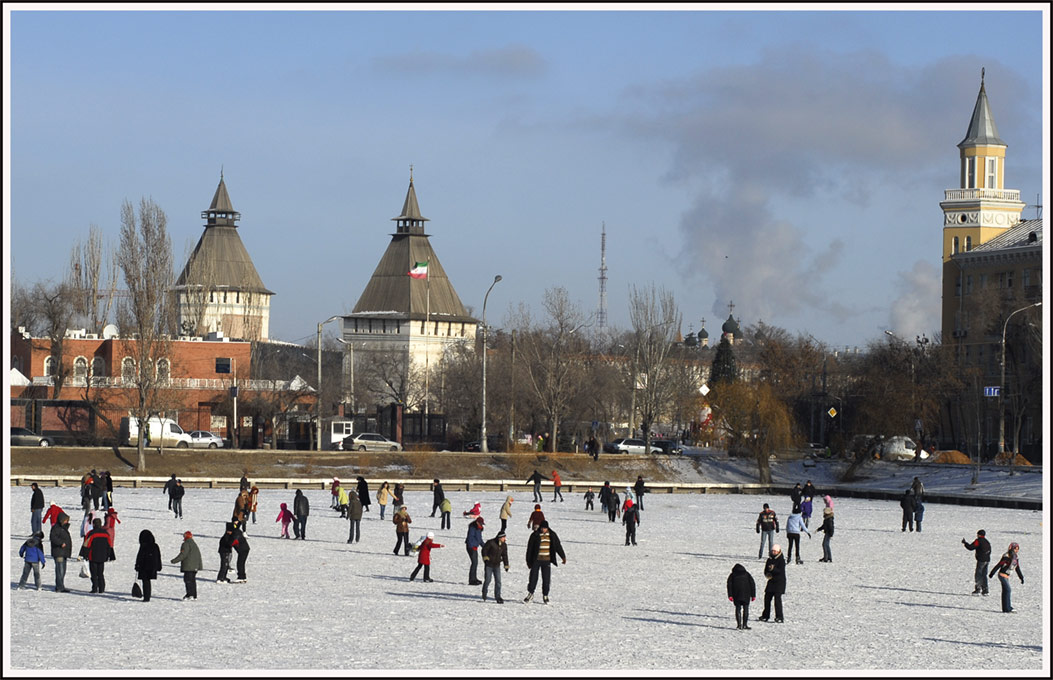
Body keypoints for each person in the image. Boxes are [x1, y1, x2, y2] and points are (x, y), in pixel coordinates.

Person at [524, 521, 566, 604]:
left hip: (546, 560)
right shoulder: (535, 535)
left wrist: (563, 556)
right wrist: (528, 561)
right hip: (536, 560)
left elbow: (557, 546)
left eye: (545, 528)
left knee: (546, 579)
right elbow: (529, 549)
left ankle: (545, 595)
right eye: (542, 528)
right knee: (533, 578)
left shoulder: (552, 535)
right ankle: (530, 593)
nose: (543, 530)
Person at [80, 517, 114, 593]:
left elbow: (86, 544)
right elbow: (109, 545)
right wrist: (109, 555)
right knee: (100, 573)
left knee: (94, 573)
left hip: (93, 556)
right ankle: (101, 588)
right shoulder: (105, 533)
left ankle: (95, 588)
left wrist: (84, 554)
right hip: (102, 557)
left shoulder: (91, 533)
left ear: (94, 524)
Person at [989, 542, 1023, 613]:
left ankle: (1006, 608)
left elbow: (1017, 568)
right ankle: (1007, 608)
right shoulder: (1007, 556)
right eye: (1015, 549)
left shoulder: (1015, 557)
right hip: (1002, 575)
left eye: (1017, 549)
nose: (1016, 551)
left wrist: (1021, 577)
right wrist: (992, 573)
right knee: (1008, 590)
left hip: (1007, 576)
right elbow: (999, 564)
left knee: (1005, 591)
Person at [171, 530, 203, 600]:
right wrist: (199, 566)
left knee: (188, 580)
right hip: (194, 567)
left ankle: (189, 595)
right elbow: (198, 555)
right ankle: (194, 595)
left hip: (189, 566)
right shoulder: (194, 544)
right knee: (192, 581)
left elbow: (183, 554)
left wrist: (174, 561)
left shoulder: (186, 544)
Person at [758, 545, 786, 623]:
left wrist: (773, 569)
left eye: (775, 551)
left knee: (777, 600)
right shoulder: (769, 560)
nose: (773, 552)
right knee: (767, 598)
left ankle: (779, 617)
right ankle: (765, 616)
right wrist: (767, 574)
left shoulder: (781, 560)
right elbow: (766, 570)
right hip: (771, 582)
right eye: (773, 551)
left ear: (778, 551)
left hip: (779, 583)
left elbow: (780, 571)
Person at [134, 529, 162, 602]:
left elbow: (140, 557)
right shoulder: (155, 546)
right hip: (152, 567)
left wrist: (137, 565)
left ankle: (146, 597)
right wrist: (159, 566)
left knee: (145, 582)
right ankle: (147, 597)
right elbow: (158, 556)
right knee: (147, 582)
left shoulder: (143, 546)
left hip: (144, 567)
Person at [481, 531, 510, 603]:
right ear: (500, 537)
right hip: (489, 565)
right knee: (488, 580)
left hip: (497, 565)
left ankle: (498, 596)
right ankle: (484, 593)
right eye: (503, 537)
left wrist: (506, 565)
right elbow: (484, 550)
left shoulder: (504, 545)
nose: (505, 539)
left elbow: (505, 555)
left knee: (498, 582)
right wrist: (486, 558)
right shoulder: (491, 542)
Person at [727, 563, 757, 630]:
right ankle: (745, 625)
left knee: (738, 609)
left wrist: (730, 595)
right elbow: (752, 584)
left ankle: (739, 625)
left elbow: (729, 585)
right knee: (746, 609)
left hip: (736, 595)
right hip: (746, 595)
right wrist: (753, 595)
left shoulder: (732, 575)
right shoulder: (747, 574)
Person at [962, 529, 992, 596]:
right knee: (984, 575)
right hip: (987, 560)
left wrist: (965, 543)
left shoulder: (978, 541)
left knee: (978, 575)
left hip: (981, 560)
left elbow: (971, 547)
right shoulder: (987, 541)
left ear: (979, 534)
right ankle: (985, 590)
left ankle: (978, 589)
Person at [49, 512, 72, 593]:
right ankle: (59, 587)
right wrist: (61, 543)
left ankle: (60, 585)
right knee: (60, 570)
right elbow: (53, 538)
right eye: (65, 520)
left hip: (64, 553)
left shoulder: (63, 528)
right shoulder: (56, 528)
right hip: (58, 552)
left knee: (63, 570)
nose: (67, 522)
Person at [465, 516, 485, 585]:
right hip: (471, 547)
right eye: (480, 523)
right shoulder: (473, 528)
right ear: (477, 522)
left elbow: (479, 539)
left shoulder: (478, 529)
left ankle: (474, 578)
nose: (481, 525)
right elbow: (470, 538)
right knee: (474, 563)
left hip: (474, 547)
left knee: (475, 563)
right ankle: (471, 580)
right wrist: (471, 546)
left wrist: (485, 546)